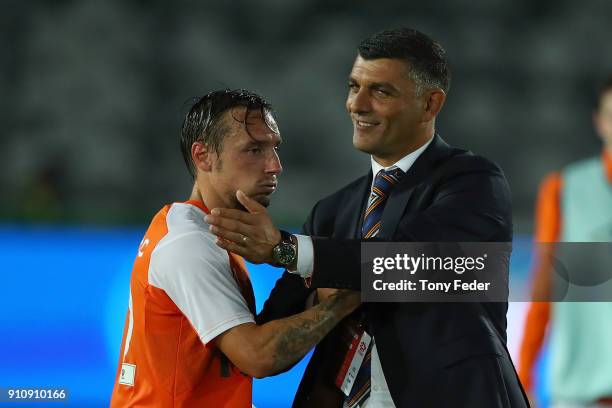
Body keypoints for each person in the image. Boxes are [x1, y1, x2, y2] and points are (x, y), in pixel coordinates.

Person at [205, 28, 529, 407]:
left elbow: (407, 261)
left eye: (381, 91)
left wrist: (286, 250)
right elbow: (273, 333)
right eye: (353, 86)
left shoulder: (472, 183)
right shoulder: (331, 212)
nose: (357, 104)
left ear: (430, 104)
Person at [109, 89, 360, 407]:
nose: (274, 166)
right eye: (254, 150)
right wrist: (341, 303)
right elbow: (257, 356)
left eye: (274, 148)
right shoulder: (189, 244)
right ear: (203, 157)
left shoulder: (203, 232)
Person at [518, 76, 612, 407]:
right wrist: (524, 376)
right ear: (599, 121)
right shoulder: (565, 189)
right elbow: (543, 287)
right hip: (578, 392)